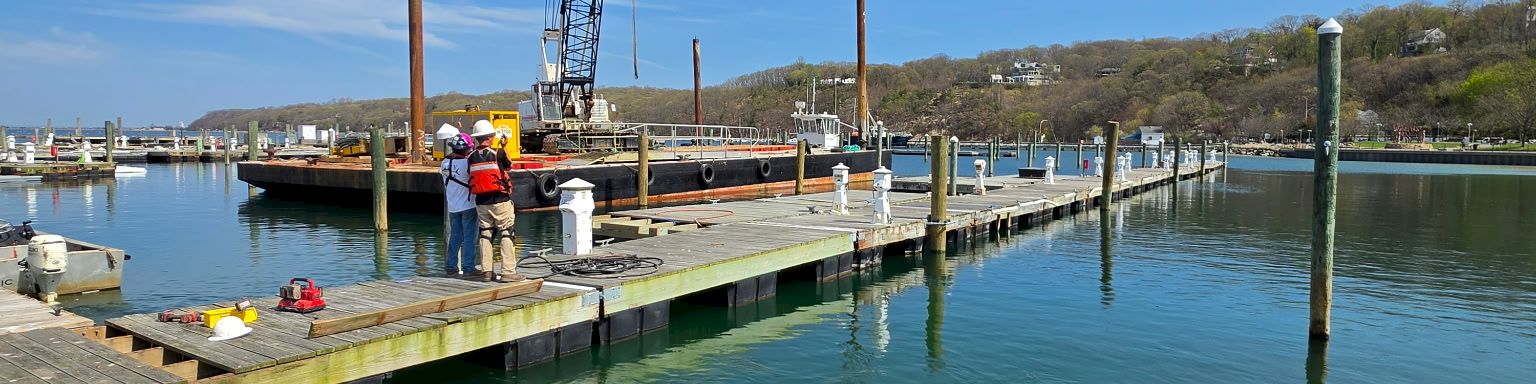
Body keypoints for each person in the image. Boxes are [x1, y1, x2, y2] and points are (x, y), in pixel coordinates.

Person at [466, 120, 525, 282]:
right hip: (500, 199)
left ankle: (486, 271)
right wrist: (504, 146)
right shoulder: (497, 153)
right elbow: (507, 166)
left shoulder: (470, 157)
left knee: (485, 234)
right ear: (491, 137)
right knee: (507, 232)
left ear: (477, 138)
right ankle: (508, 272)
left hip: (481, 201)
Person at [439, 126, 478, 275]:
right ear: (466, 149)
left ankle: (451, 266)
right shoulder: (466, 164)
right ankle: (468, 267)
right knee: (469, 237)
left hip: (453, 206)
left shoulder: (444, 163)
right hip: (468, 205)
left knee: (455, 236)